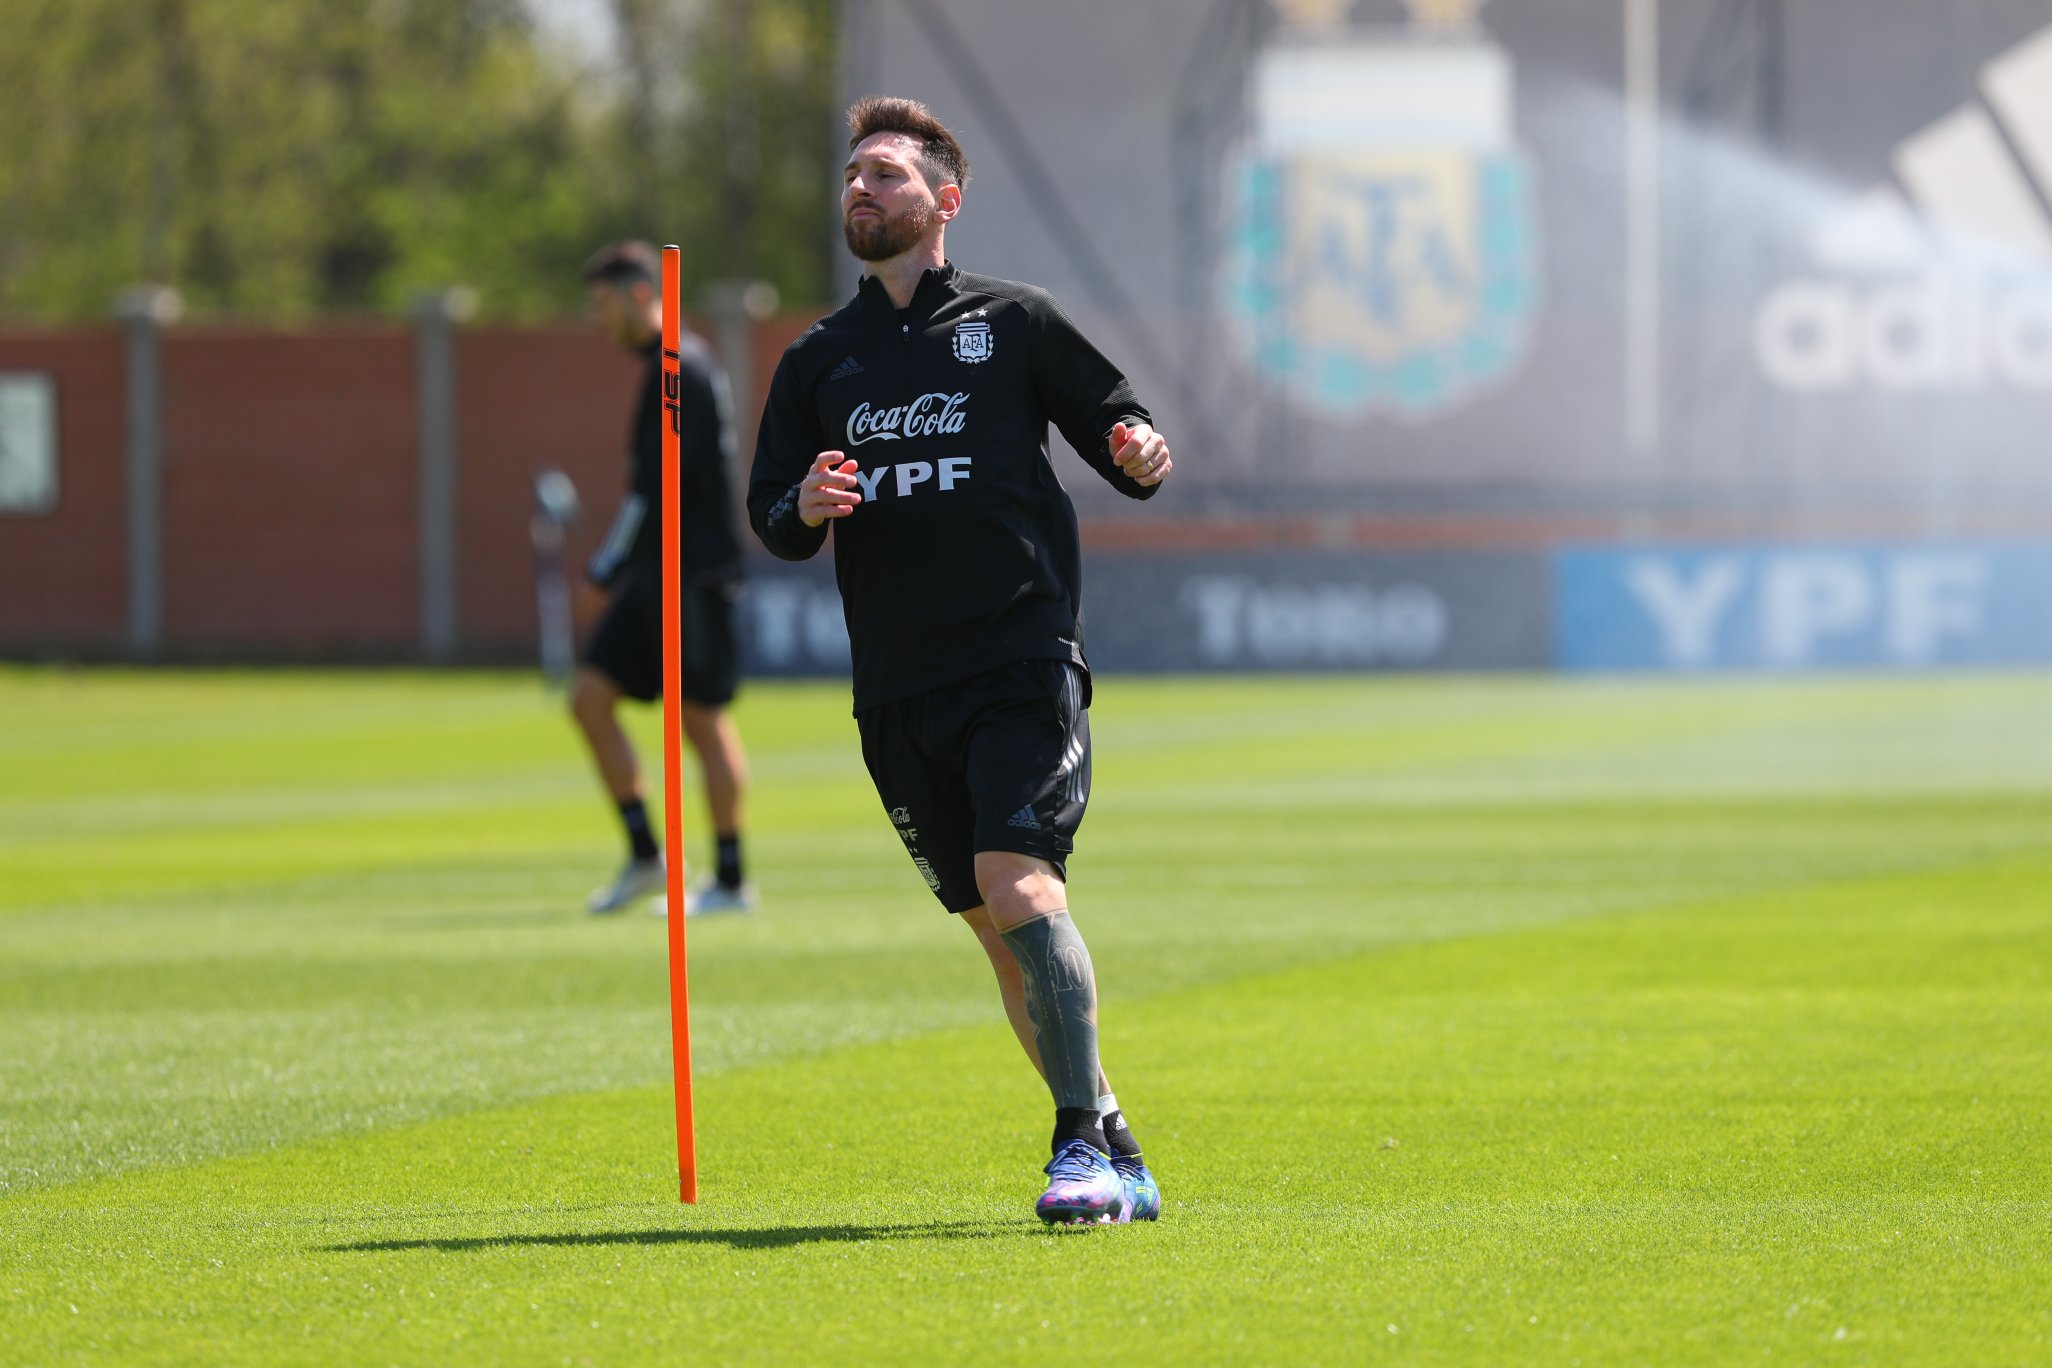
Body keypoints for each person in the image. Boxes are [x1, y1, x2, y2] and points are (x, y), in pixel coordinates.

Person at [748, 98, 1173, 1225]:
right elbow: (771, 517)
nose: (861, 187)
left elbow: (1122, 432)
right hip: (896, 689)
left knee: (1019, 885)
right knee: (997, 933)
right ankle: (1119, 1147)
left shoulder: (1014, 321)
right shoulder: (819, 359)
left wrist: (1139, 448)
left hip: (1020, 658)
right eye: (853, 173)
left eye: (886, 172)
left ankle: (1075, 1151)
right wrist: (804, 502)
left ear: (946, 200)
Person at [574, 240, 755, 918]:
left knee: (703, 721)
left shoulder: (681, 367)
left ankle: (731, 881)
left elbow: (653, 489)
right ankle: (648, 855)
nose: (599, 320)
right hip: (657, 573)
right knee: (590, 698)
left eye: (604, 304)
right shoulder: (666, 365)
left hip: (692, 573)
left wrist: (603, 569)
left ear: (641, 294)